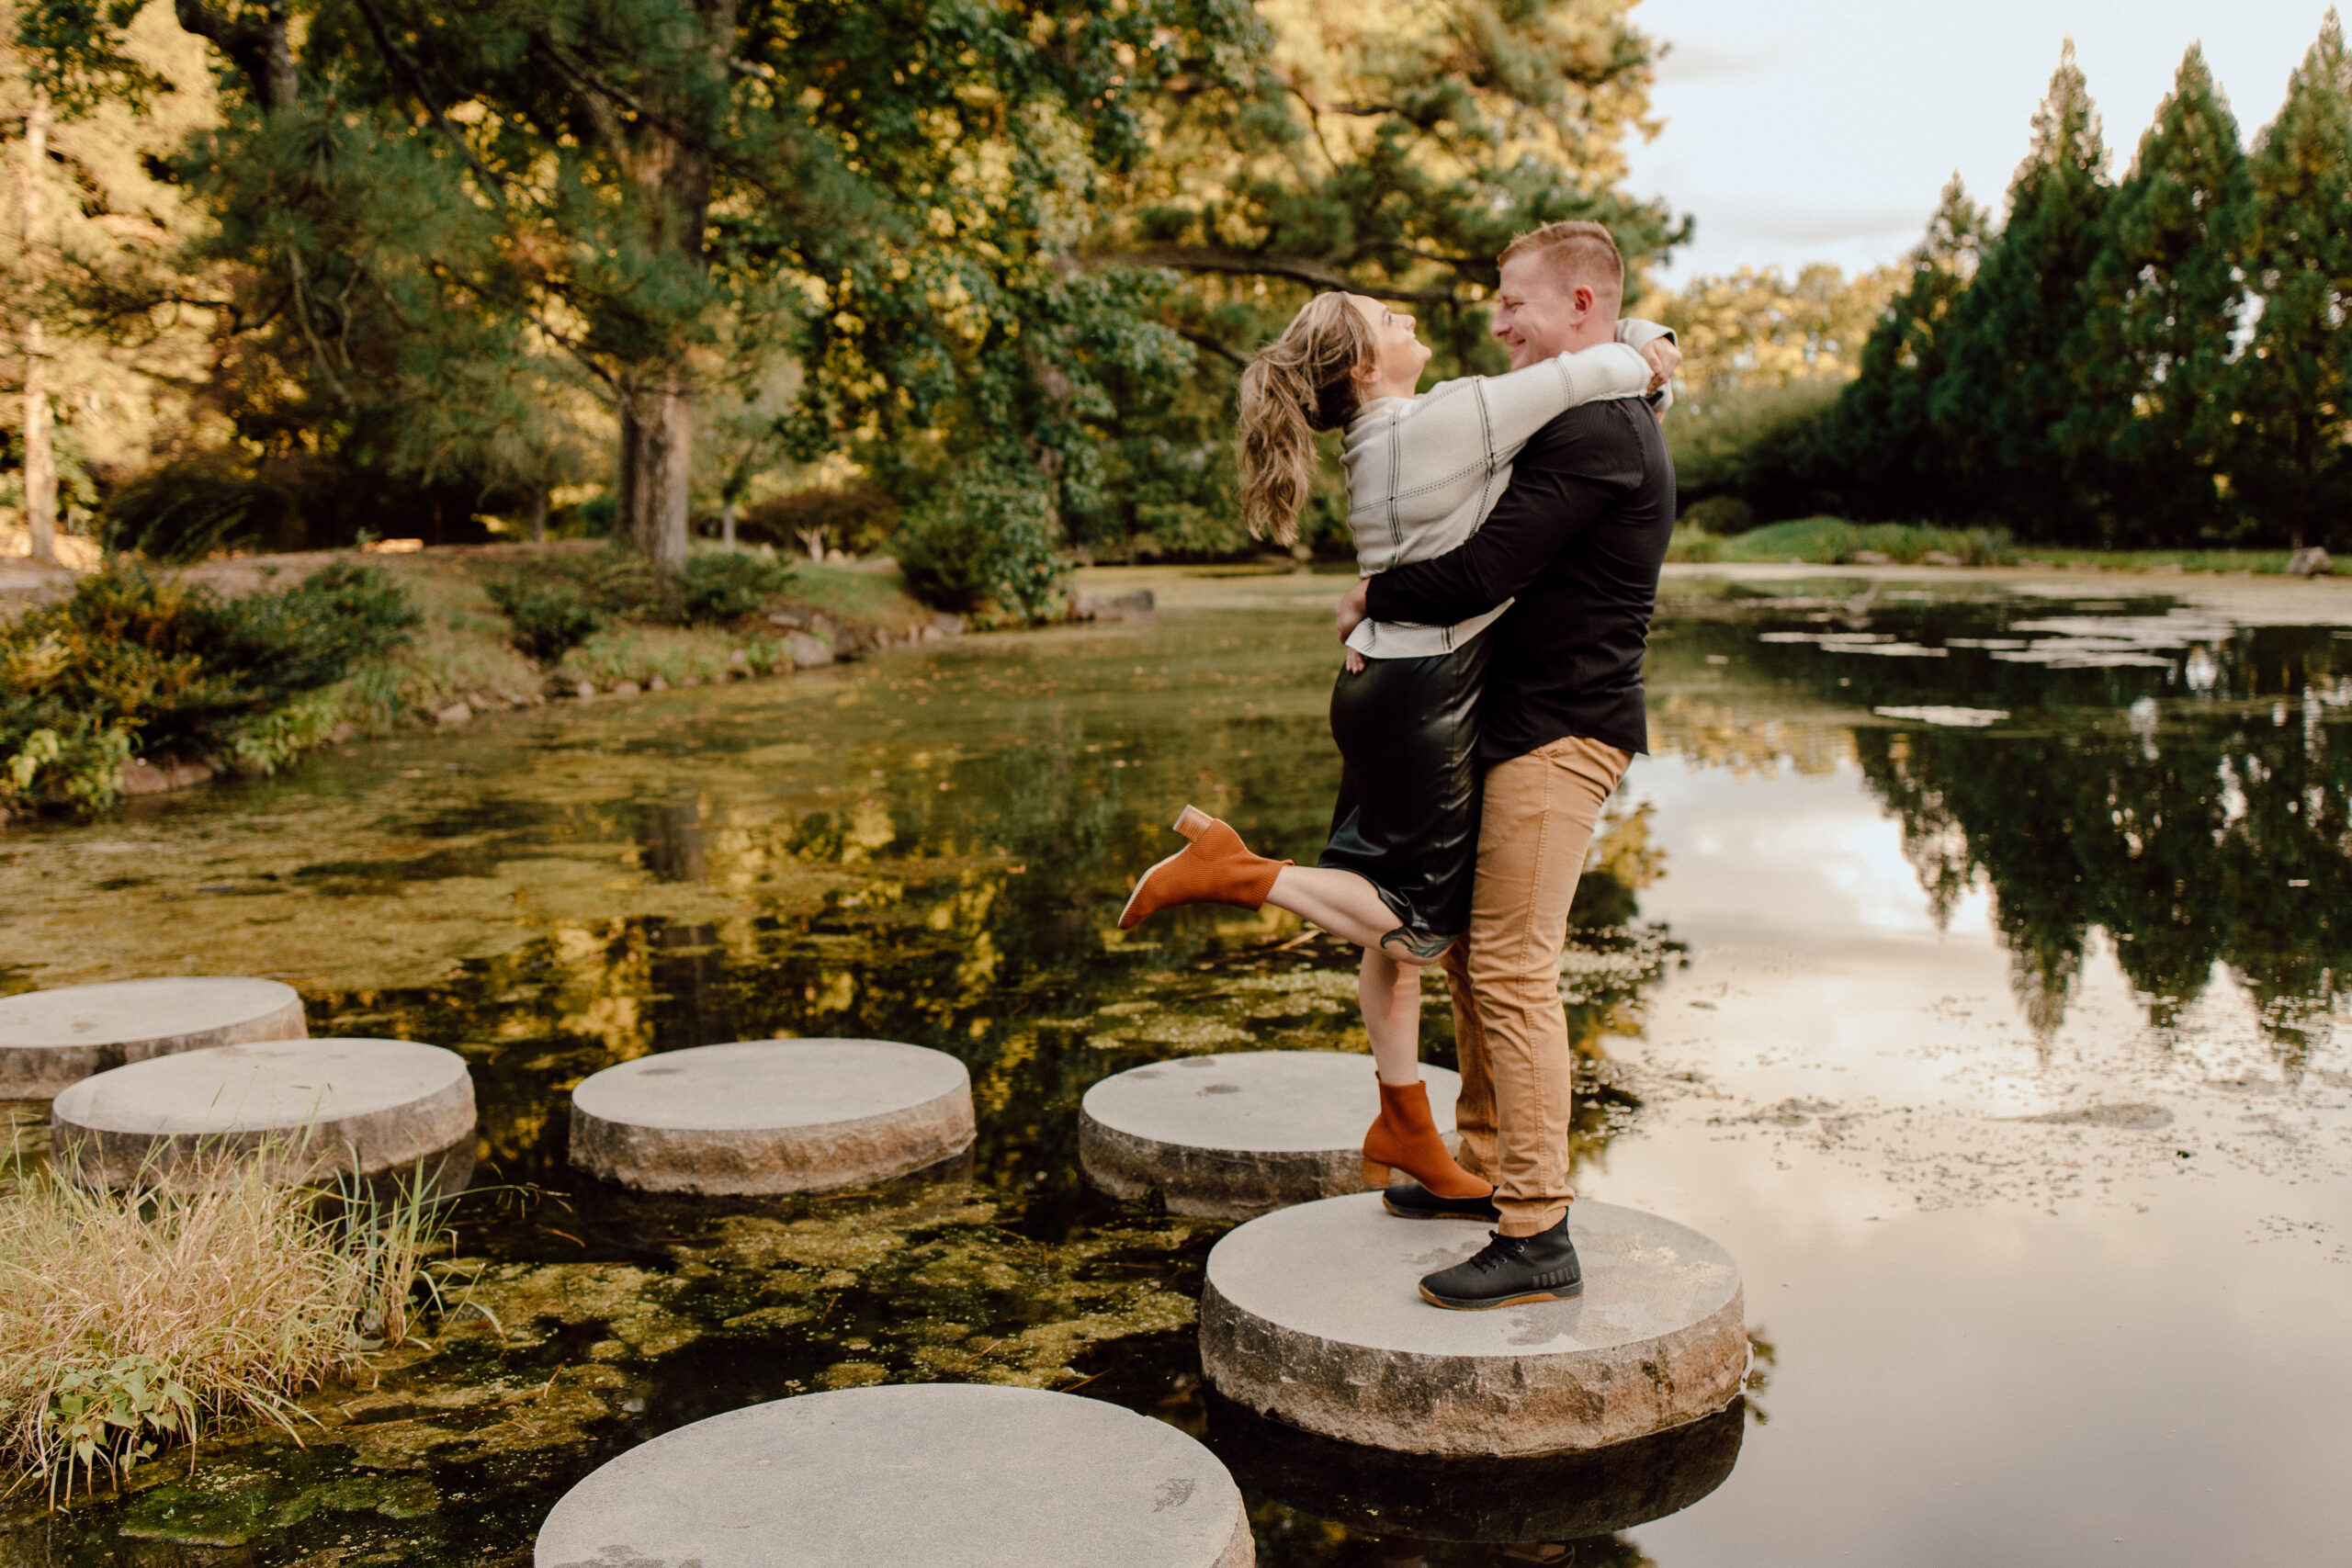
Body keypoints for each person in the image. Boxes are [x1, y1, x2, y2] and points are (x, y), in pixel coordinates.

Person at [1117, 279, 1679, 1212]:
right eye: (1388, 319)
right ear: (1363, 366)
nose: (1409, 316)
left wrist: (1635, 348)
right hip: (1427, 695)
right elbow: (1599, 369)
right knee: (1416, 921)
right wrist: (1650, 348)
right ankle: (1235, 870)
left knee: (1396, 929)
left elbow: (1577, 379)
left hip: (1376, 685)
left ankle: (1407, 1123)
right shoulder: (1451, 418)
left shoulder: (1380, 437)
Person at [1332, 220, 1679, 1311]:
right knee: (1478, 958)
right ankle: (1478, 1167)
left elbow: (1486, 565)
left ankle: (1536, 1230)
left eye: (1513, 301)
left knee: (1515, 967)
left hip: (1562, 728)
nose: (1494, 321)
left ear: (1581, 309)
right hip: (1516, 721)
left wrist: (1372, 594)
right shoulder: (1588, 406)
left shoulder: (1601, 432)